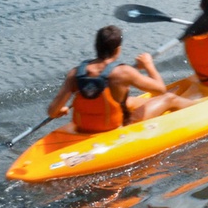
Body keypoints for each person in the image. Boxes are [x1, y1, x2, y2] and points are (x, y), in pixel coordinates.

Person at [47, 25, 196, 134]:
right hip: (115, 127)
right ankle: (200, 107)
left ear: (96, 47)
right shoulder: (123, 72)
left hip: (82, 128)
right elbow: (160, 90)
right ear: (118, 49)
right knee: (169, 97)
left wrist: (61, 109)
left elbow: (52, 112)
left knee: (129, 100)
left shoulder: (75, 73)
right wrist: (148, 65)